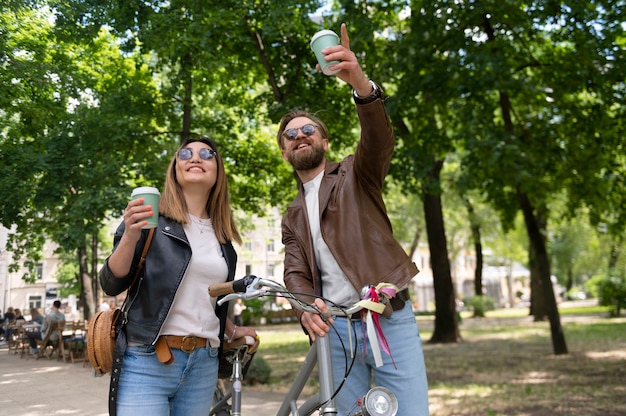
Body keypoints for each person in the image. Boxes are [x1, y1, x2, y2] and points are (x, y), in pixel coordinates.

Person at [276, 23, 429, 416]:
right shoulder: (292, 215)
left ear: (325, 142)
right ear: (284, 153)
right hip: (337, 331)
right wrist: (304, 306)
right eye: (290, 135)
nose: (300, 136)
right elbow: (296, 273)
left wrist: (359, 82)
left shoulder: (355, 174)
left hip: (388, 317)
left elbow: (378, 139)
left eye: (309, 129)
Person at [99, 136, 259, 416]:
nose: (195, 158)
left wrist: (232, 330)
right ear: (175, 168)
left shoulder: (223, 239)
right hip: (146, 362)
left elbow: (204, 296)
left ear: (218, 171)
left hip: (203, 364)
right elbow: (111, 283)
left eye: (207, 154)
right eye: (186, 153)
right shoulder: (150, 219)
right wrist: (131, 234)